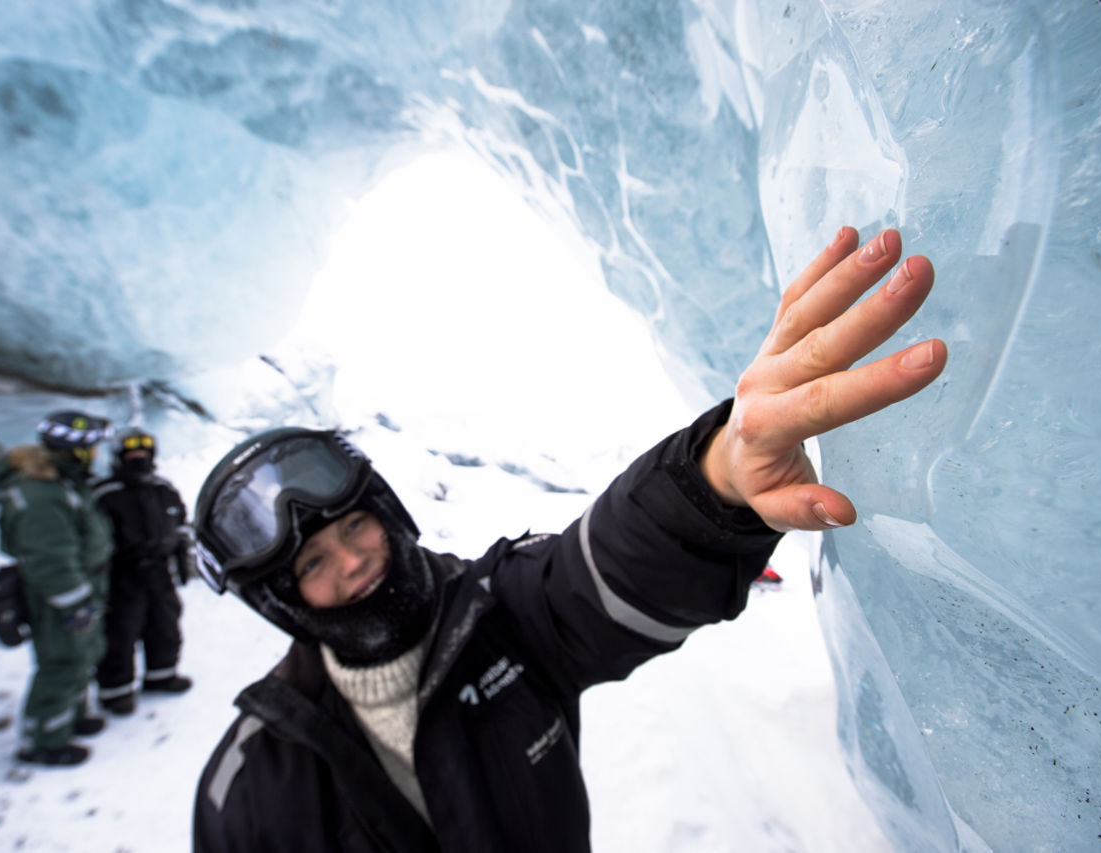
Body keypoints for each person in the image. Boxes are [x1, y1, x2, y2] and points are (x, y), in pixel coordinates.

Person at [191, 227, 949, 850]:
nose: (352, 560)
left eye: (355, 525)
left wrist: (716, 475)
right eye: (314, 563)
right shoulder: (250, 785)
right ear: (283, 602)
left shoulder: (503, 616)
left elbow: (605, 571)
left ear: (387, 511)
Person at [0, 410, 114, 767]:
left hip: (82, 581)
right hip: (59, 592)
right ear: (75, 451)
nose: (97, 455)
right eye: (92, 448)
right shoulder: (42, 496)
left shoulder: (62, 485)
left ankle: (70, 717)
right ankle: (42, 740)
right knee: (63, 660)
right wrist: (75, 602)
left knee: (82, 654)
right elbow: (50, 557)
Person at [92, 427, 195, 715]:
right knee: (121, 631)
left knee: (165, 622)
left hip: (160, 569)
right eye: (131, 453)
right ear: (119, 457)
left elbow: (180, 526)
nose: (138, 458)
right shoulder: (105, 493)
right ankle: (116, 689)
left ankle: (162, 674)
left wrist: (182, 561)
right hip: (122, 573)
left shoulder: (163, 489)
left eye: (143, 452)